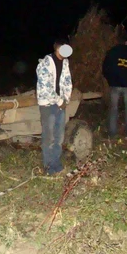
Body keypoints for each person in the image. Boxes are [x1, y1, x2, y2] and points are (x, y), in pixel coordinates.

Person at [36, 40, 73, 175]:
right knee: (49, 137)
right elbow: (45, 87)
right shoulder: (45, 64)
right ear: (58, 48)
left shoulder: (65, 63)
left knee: (59, 137)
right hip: (48, 104)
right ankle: (49, 167)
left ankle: (56, 165)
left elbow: (68, 81)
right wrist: (59, 101)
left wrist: (66, 98)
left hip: (60, 104)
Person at [102, 28, 127, 139]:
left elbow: (105, 69)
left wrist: (110, 79)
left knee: (113, 109)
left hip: (115, 85)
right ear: (126, 41)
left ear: (117, 40)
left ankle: (112, 133)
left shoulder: (111, 52)